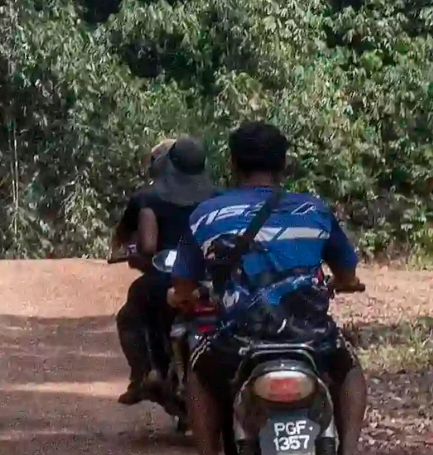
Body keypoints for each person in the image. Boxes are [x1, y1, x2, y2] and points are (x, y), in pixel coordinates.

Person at [170, 122, 368, 455]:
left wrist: (184, 297)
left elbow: (182, 285)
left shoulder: (206, 215)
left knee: (198, 376)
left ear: (232, 163)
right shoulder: (314, 210)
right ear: (284, 163)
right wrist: (345, 283)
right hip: (311, 338)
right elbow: (347, 272)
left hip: (238, 341)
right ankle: (348, 449)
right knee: (349, 369)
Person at [110, 135, 218, 405]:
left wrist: (130, 253)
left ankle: (145, 374)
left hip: (166, 280)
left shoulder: (147, 199)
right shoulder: (219, 198)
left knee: (131, 314)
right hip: (212, 281)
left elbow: (140, 244)